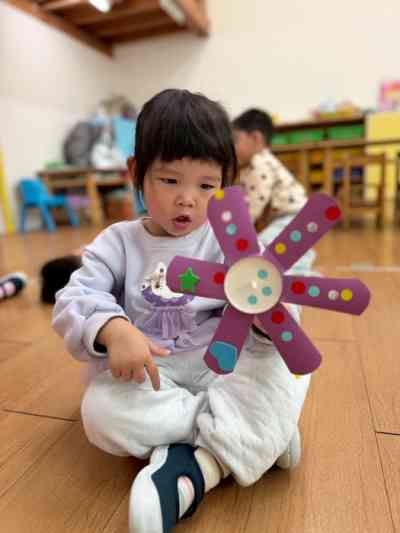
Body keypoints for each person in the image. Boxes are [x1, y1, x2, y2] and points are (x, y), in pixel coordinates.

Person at [53, 89, 312, 533]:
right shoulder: (118, 243)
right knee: (99, 414)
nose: (187, 199)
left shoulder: (231, 239)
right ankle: (252, 432)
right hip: (152, 374)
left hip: (221, 366)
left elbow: (272, 300)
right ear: (136, 172)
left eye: (206, 186)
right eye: (170, 181)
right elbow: (75, 297)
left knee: (290, 364)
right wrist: (113, 329)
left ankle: (205, 456)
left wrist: (269, 317)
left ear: (226, 186)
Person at [232, 108, 308, 232]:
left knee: (262, 243)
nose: (230, 147)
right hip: (292, 217)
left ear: (256, 138)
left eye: (235, 140)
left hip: (293, 217)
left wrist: (238, 230)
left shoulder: (260, 163)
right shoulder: (255, 163)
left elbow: (254, 204)